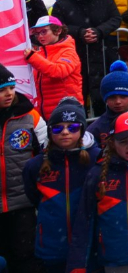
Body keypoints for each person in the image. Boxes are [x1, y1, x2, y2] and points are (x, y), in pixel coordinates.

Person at [68, 110, 128, 273]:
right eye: (123, 141)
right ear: (113, 142)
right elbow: (85, 219)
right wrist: (78, 262)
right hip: (113, 257)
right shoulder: (97, 174)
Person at [23, 97, 97, 273]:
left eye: (72, 127)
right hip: (52, 245)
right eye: (58, 128)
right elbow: (33, 196)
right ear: (49, 132)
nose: (65, 132)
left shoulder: (96, 158)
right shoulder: (35, 165)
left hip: (90, 245)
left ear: (82, 130)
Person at [0, 64, 45, 273]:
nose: (8, 93)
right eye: (2, 90)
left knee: (24, 257)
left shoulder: (30, 116)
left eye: (10, 87)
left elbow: (46, 153)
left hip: (23, 203)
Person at [23, 15, 83, 118]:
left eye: (44, 31)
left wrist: (33, 57)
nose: (40, 36)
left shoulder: (68, 51)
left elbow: (58, 71)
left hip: (67, 111)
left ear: (58, 31)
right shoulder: (40, 53)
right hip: (46, 113)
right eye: (37, 33)